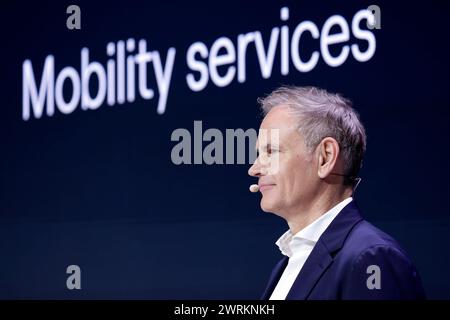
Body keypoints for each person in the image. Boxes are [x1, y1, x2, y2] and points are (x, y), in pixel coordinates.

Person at [248, 86, 425, 300]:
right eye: (259, 154)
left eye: (271, 152)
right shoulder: (287, 264)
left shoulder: (371, 258)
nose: (254, 169)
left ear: (325, 157)